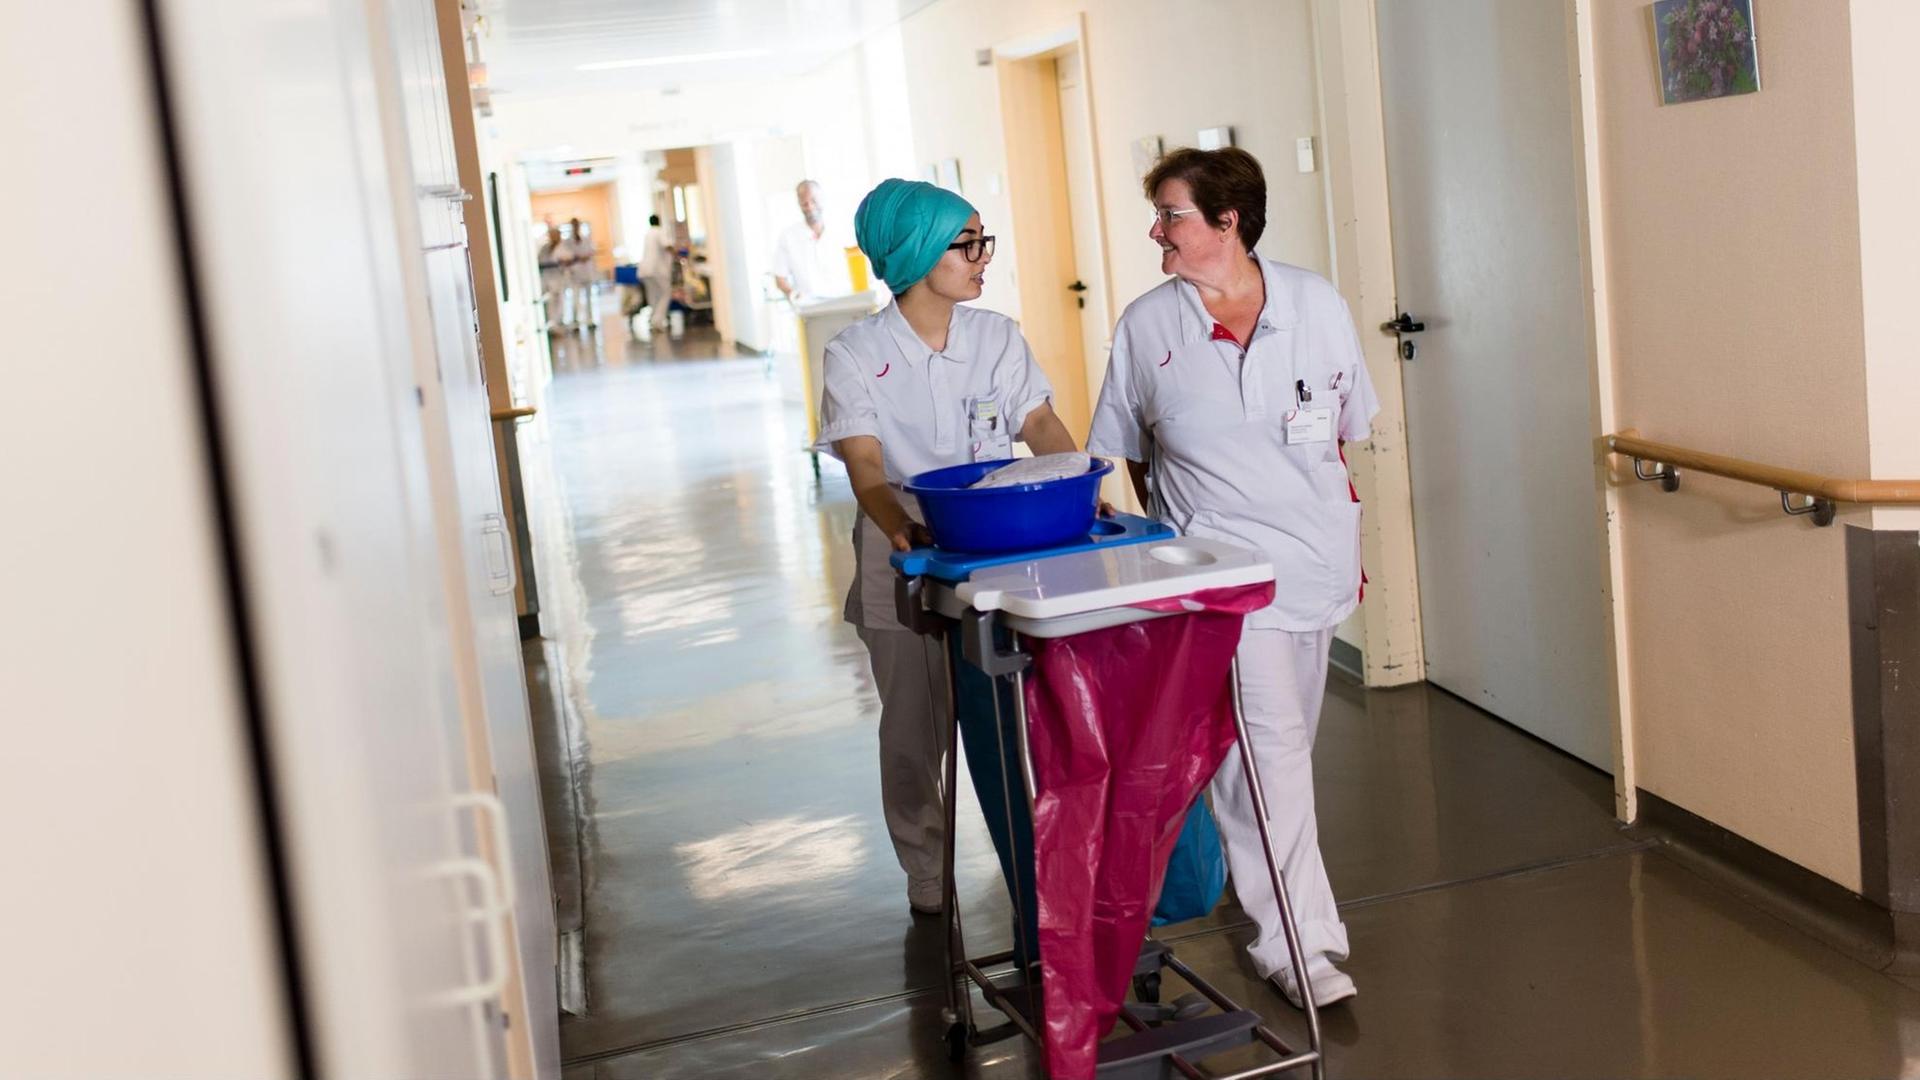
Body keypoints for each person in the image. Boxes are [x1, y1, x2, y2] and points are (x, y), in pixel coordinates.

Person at [1087, 147, 1379, 1010]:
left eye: (1172, 215)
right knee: (1269, 759)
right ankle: (1300, 945)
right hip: (1222, 577)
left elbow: (1347, 425)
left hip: (1316, 563)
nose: (1156, 231)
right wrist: (1187, 535)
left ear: (1228, 222)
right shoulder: (1150, 325)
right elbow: (1129, 449)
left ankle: (1283, 922)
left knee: (1276, 755)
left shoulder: (1315, 304)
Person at [816, 178, 1081, 916]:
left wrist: (1084, 487)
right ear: (918, 252)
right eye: (966, 245)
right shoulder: (856, 351)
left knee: (1015, 715)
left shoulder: (995, 335)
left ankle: (1032, 856)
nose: (982, 257)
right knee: (915, 726)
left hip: (1000, 535)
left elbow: (1040, 426)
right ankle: (925, 867)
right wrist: (900, 527)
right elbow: (865, 463)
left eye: (981, 241)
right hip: (906, 539)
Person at [772, 180, 849, 304]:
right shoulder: (788, 237)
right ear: (799, 204)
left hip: (846, 304)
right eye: (804, 203)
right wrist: (794, 295)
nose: (810, 207)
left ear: (822, 199)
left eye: (814, 201)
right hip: (810, 309)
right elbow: (780, 278)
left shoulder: (842, 231)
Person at [636, 213, 675, 338]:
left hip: (645, 269)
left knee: (653, 295)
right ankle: (657, 320)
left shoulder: (648, 234)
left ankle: (654, 320)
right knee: (666, 292)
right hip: (657, 269)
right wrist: (678, 252)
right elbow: (667, 245)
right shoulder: (659, 231)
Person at [566, 217, 597, 331]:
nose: (576, 227)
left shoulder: (586, 239)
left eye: (577, 225)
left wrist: (583, 256)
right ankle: (575, 322)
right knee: (575, 298)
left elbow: (591, 253)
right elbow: (568, 257)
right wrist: (578, 257)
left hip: (586, 272)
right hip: (575, 274)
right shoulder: (568, 242)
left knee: (589, 298)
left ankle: (590, 320)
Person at [537, 221, 568, 331]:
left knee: (560, 301)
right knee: (550, 302)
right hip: (548, 278)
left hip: (559, 277)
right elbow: (540, 261)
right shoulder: (545, 248)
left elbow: (567, 260)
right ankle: (553, 325)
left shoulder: (562, 246)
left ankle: (559, 322)